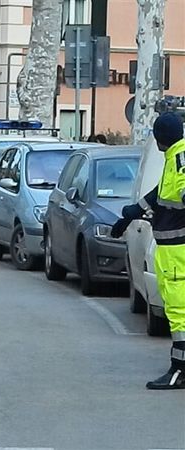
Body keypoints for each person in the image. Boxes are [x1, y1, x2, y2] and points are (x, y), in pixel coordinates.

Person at [111, 112, 185, 389]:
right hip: (172, 248)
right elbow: (159, 195)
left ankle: (180, 370)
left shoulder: (180, 158)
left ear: (160, 137)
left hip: (178, 250)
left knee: (179, 313)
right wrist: (131, 213)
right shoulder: (174, 156)